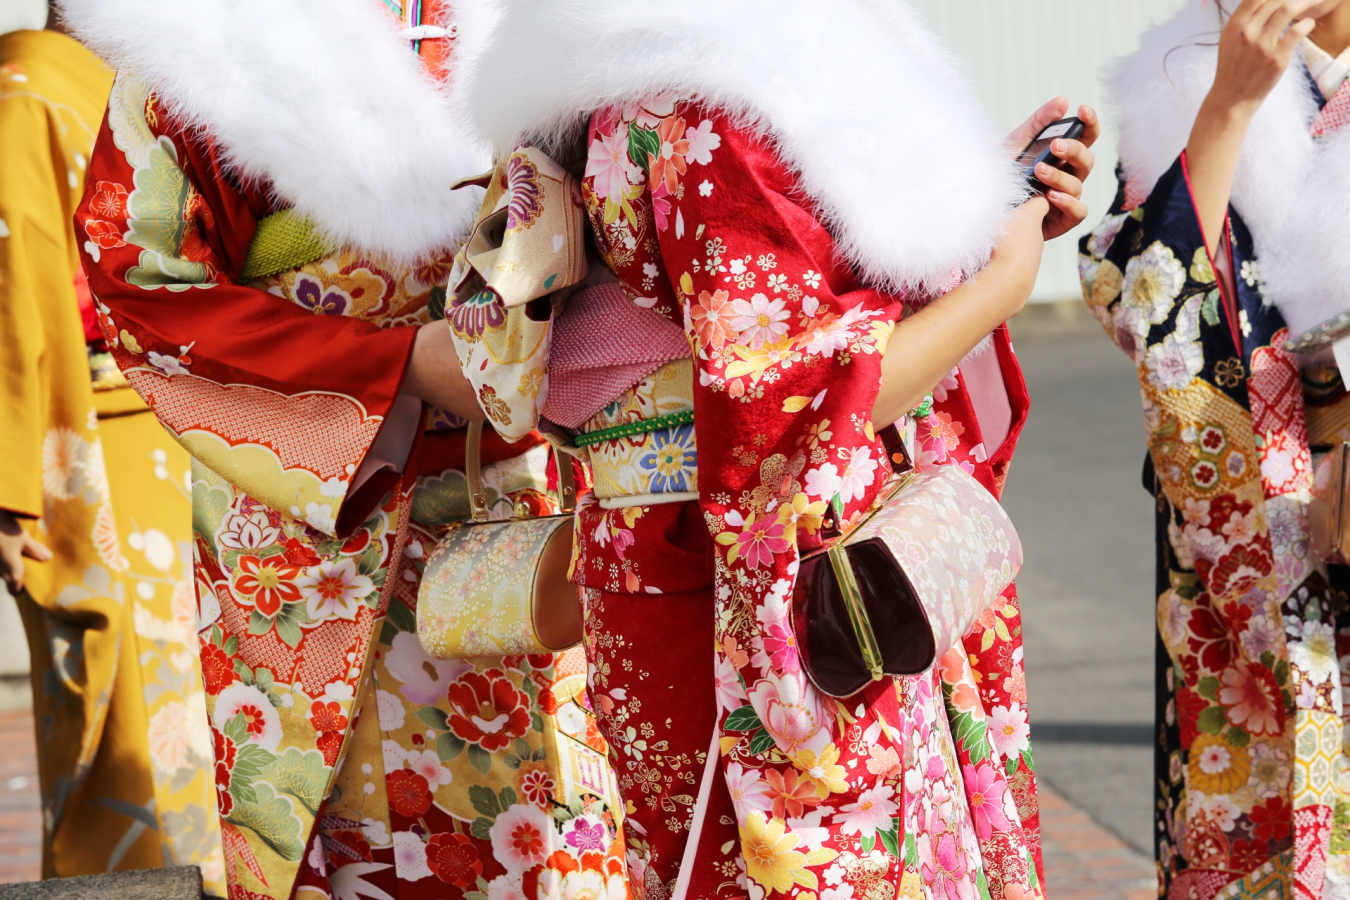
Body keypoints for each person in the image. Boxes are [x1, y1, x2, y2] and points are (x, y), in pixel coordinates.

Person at [446, 2, 1097, 895]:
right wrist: (1000, 282)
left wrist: (970, 209)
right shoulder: (712, 102)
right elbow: (798, 417)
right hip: (754, 574)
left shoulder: (652, 67)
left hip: (665, 556)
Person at [65, 0, 629, 896]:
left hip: (545, 467)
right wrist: (397, 362)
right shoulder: (200, 28)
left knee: (570, 807)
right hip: (335, 499)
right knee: (368, 831)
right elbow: (144, 278)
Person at [1081, 0, 1350, 894]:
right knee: (1252, 808)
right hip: (1256, 526)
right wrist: (1229, 106)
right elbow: (1148, 307)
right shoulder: (1185, 73)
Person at [0, 9, 224, 888]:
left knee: (200, 741)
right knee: (132, 739)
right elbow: (17, 303)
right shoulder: (28, 86)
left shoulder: (123, 77)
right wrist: (18, 491)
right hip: (91, 455)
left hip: (179, 436)